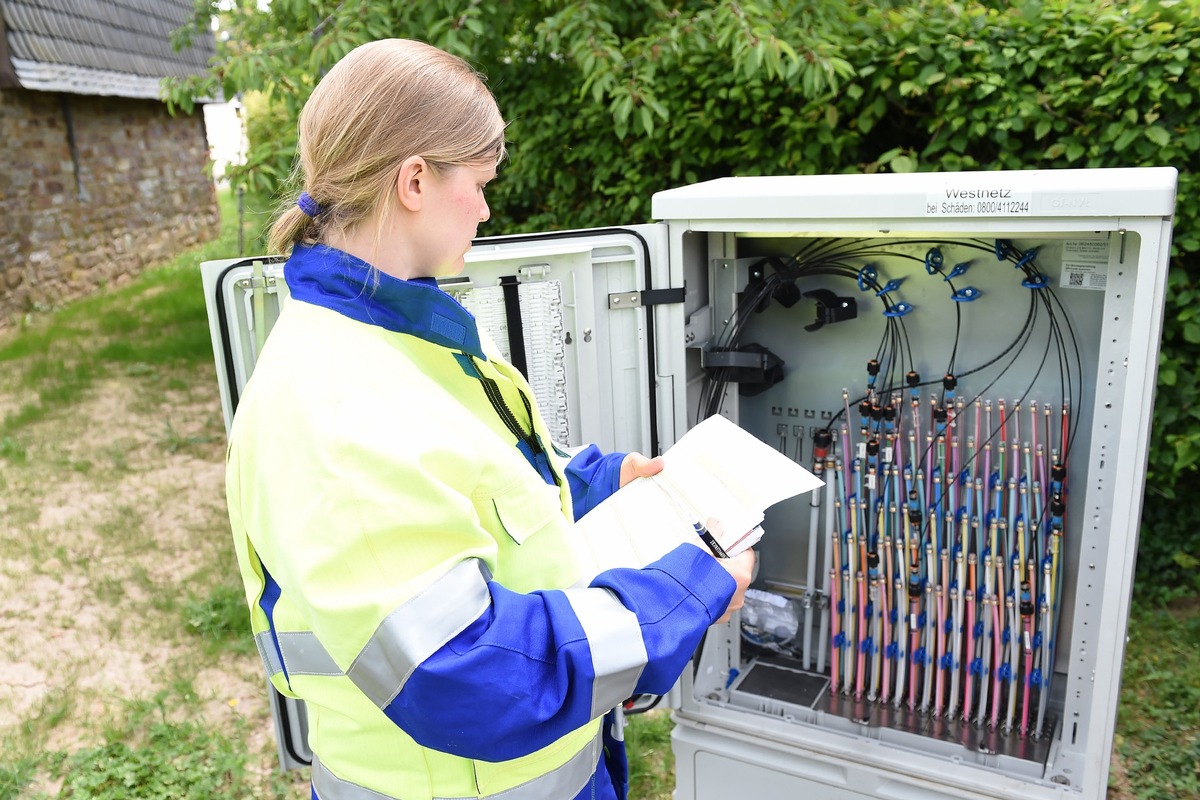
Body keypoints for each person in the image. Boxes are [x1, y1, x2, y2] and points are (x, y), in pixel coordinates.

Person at [224, 38, 754, 800]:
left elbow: (466, 479)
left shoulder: (397, 337)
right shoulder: (330, 401)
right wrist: (686, 591)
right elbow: (466, 670)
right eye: (476, 182)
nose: (485, 207)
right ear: (414, 180)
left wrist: (596, 482)